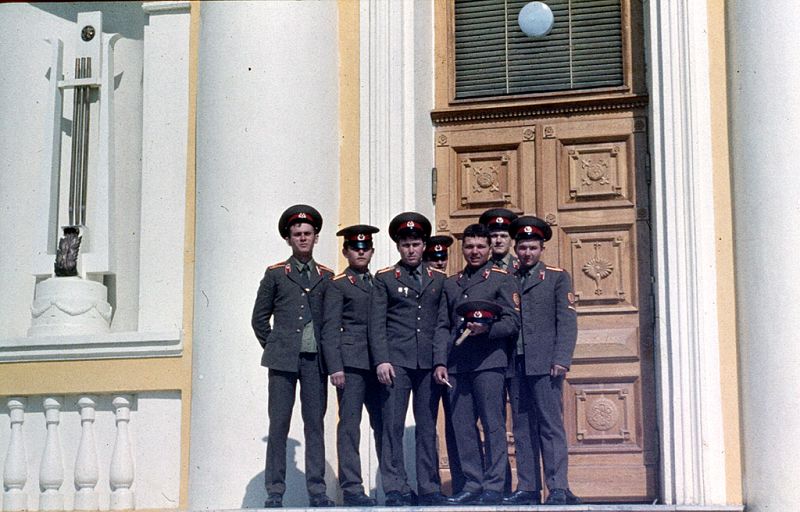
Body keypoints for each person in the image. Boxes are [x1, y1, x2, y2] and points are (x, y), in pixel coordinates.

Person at [251, 204, 336, 508]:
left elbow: (331, 320)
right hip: (283, 363)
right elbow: (259, 319)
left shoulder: (327, 276)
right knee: (279, 425)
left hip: (315, 362)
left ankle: (317, 492)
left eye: (307, 234)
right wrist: (276, 346)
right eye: (297, 234)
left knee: (315, 425)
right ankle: (275, 492)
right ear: (288, 239)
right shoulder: (276, 274)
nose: (302, 238)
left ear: (316, 238)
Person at [433, 223, 521, 506]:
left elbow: (512, 322)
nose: (475, 251)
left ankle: (494, 485)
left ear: (489, 248)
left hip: (489, 363)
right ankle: (472, 483)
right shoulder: (452, 283)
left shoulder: (501, 279)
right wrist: (440, 361)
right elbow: (443, 325)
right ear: (462, 248)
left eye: (480, 246)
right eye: (469, 246)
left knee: (493, 426)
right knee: (462, 427)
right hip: (457, 365)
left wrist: (487, 330)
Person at [368, 212, 449, 507]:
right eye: (405, 245)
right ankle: (395, 488)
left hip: (427, 363)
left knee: (427, 427)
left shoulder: (439, 279)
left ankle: (429, 488)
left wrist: (440, 361)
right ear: (398, 247)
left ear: (424, 245)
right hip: (396, 362)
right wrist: (382, 360)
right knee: (392, 425)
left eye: (415, 244)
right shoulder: (386, 278)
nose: (411, 250)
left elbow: (442, 324)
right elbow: (376, 324)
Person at [505, 215, 582, 506]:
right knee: (522, 427)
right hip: (516, 363)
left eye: (533, 248)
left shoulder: (556, 277)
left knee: (550, 426)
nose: (527, 253)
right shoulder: (507, 277)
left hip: (546, 364)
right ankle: (528, 487)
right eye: (522, 248)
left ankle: (558, 487)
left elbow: (567, 321)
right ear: (516, 249)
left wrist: (561, 358)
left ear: (542, 249)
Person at [320, 225, 383, 507]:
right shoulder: (338, 284)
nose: (361, 253)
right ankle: (352, 488)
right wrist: (335, 367)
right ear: (346, 252)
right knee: (349, 427)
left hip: (378, 365)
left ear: (372, 251)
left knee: (384, 426)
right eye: (355, 249)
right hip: (351, 365)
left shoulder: (379, 282)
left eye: (365, 248)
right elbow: (330, 328)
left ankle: (393, 486)